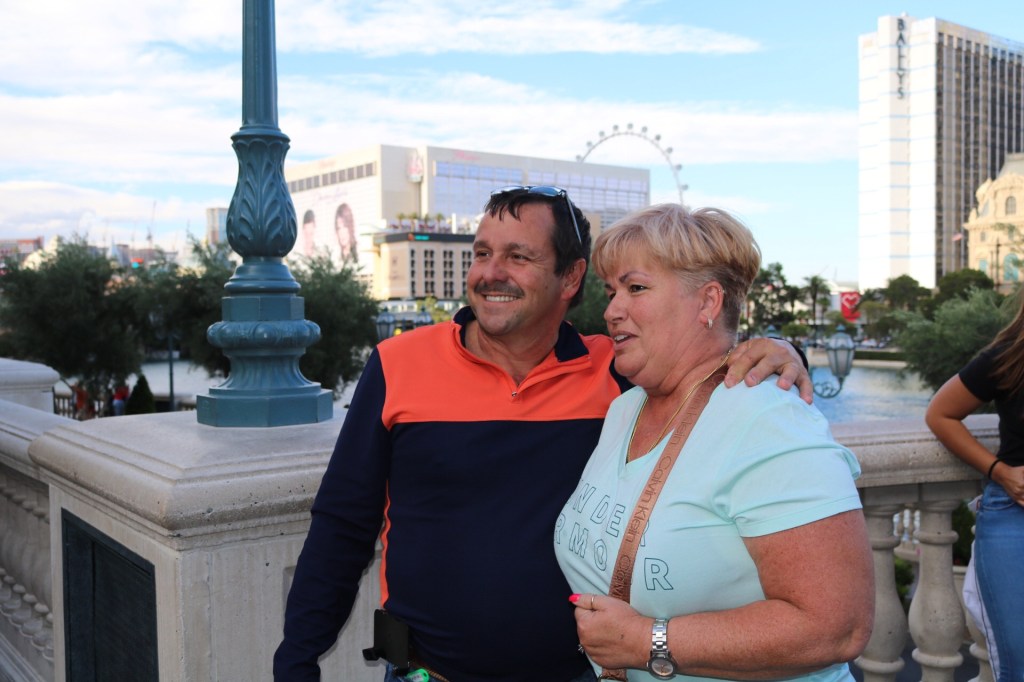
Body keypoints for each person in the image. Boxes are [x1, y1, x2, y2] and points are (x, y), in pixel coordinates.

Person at [274, 187, 812, 682]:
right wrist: (296, 662)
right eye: (482, 253)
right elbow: (343, 525)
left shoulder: (617, 372)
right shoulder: (398, 364)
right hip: (423, 673)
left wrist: (784, 352)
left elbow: (702, 370)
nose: (491, 273)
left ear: (571, 278)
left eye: (518, 256)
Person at [556, 203, 873, 682]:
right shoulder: (626, 409)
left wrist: (646, 642)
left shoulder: (769, 419)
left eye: (635, 288)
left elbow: (838, 626)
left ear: (708, 303)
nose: (612, 310)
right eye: (611, 290)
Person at [925, 288, 1024, 682]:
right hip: (1013, 517)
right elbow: (941, 414)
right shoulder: (1011, 356)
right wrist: (1001, 472)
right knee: (1018, 661)